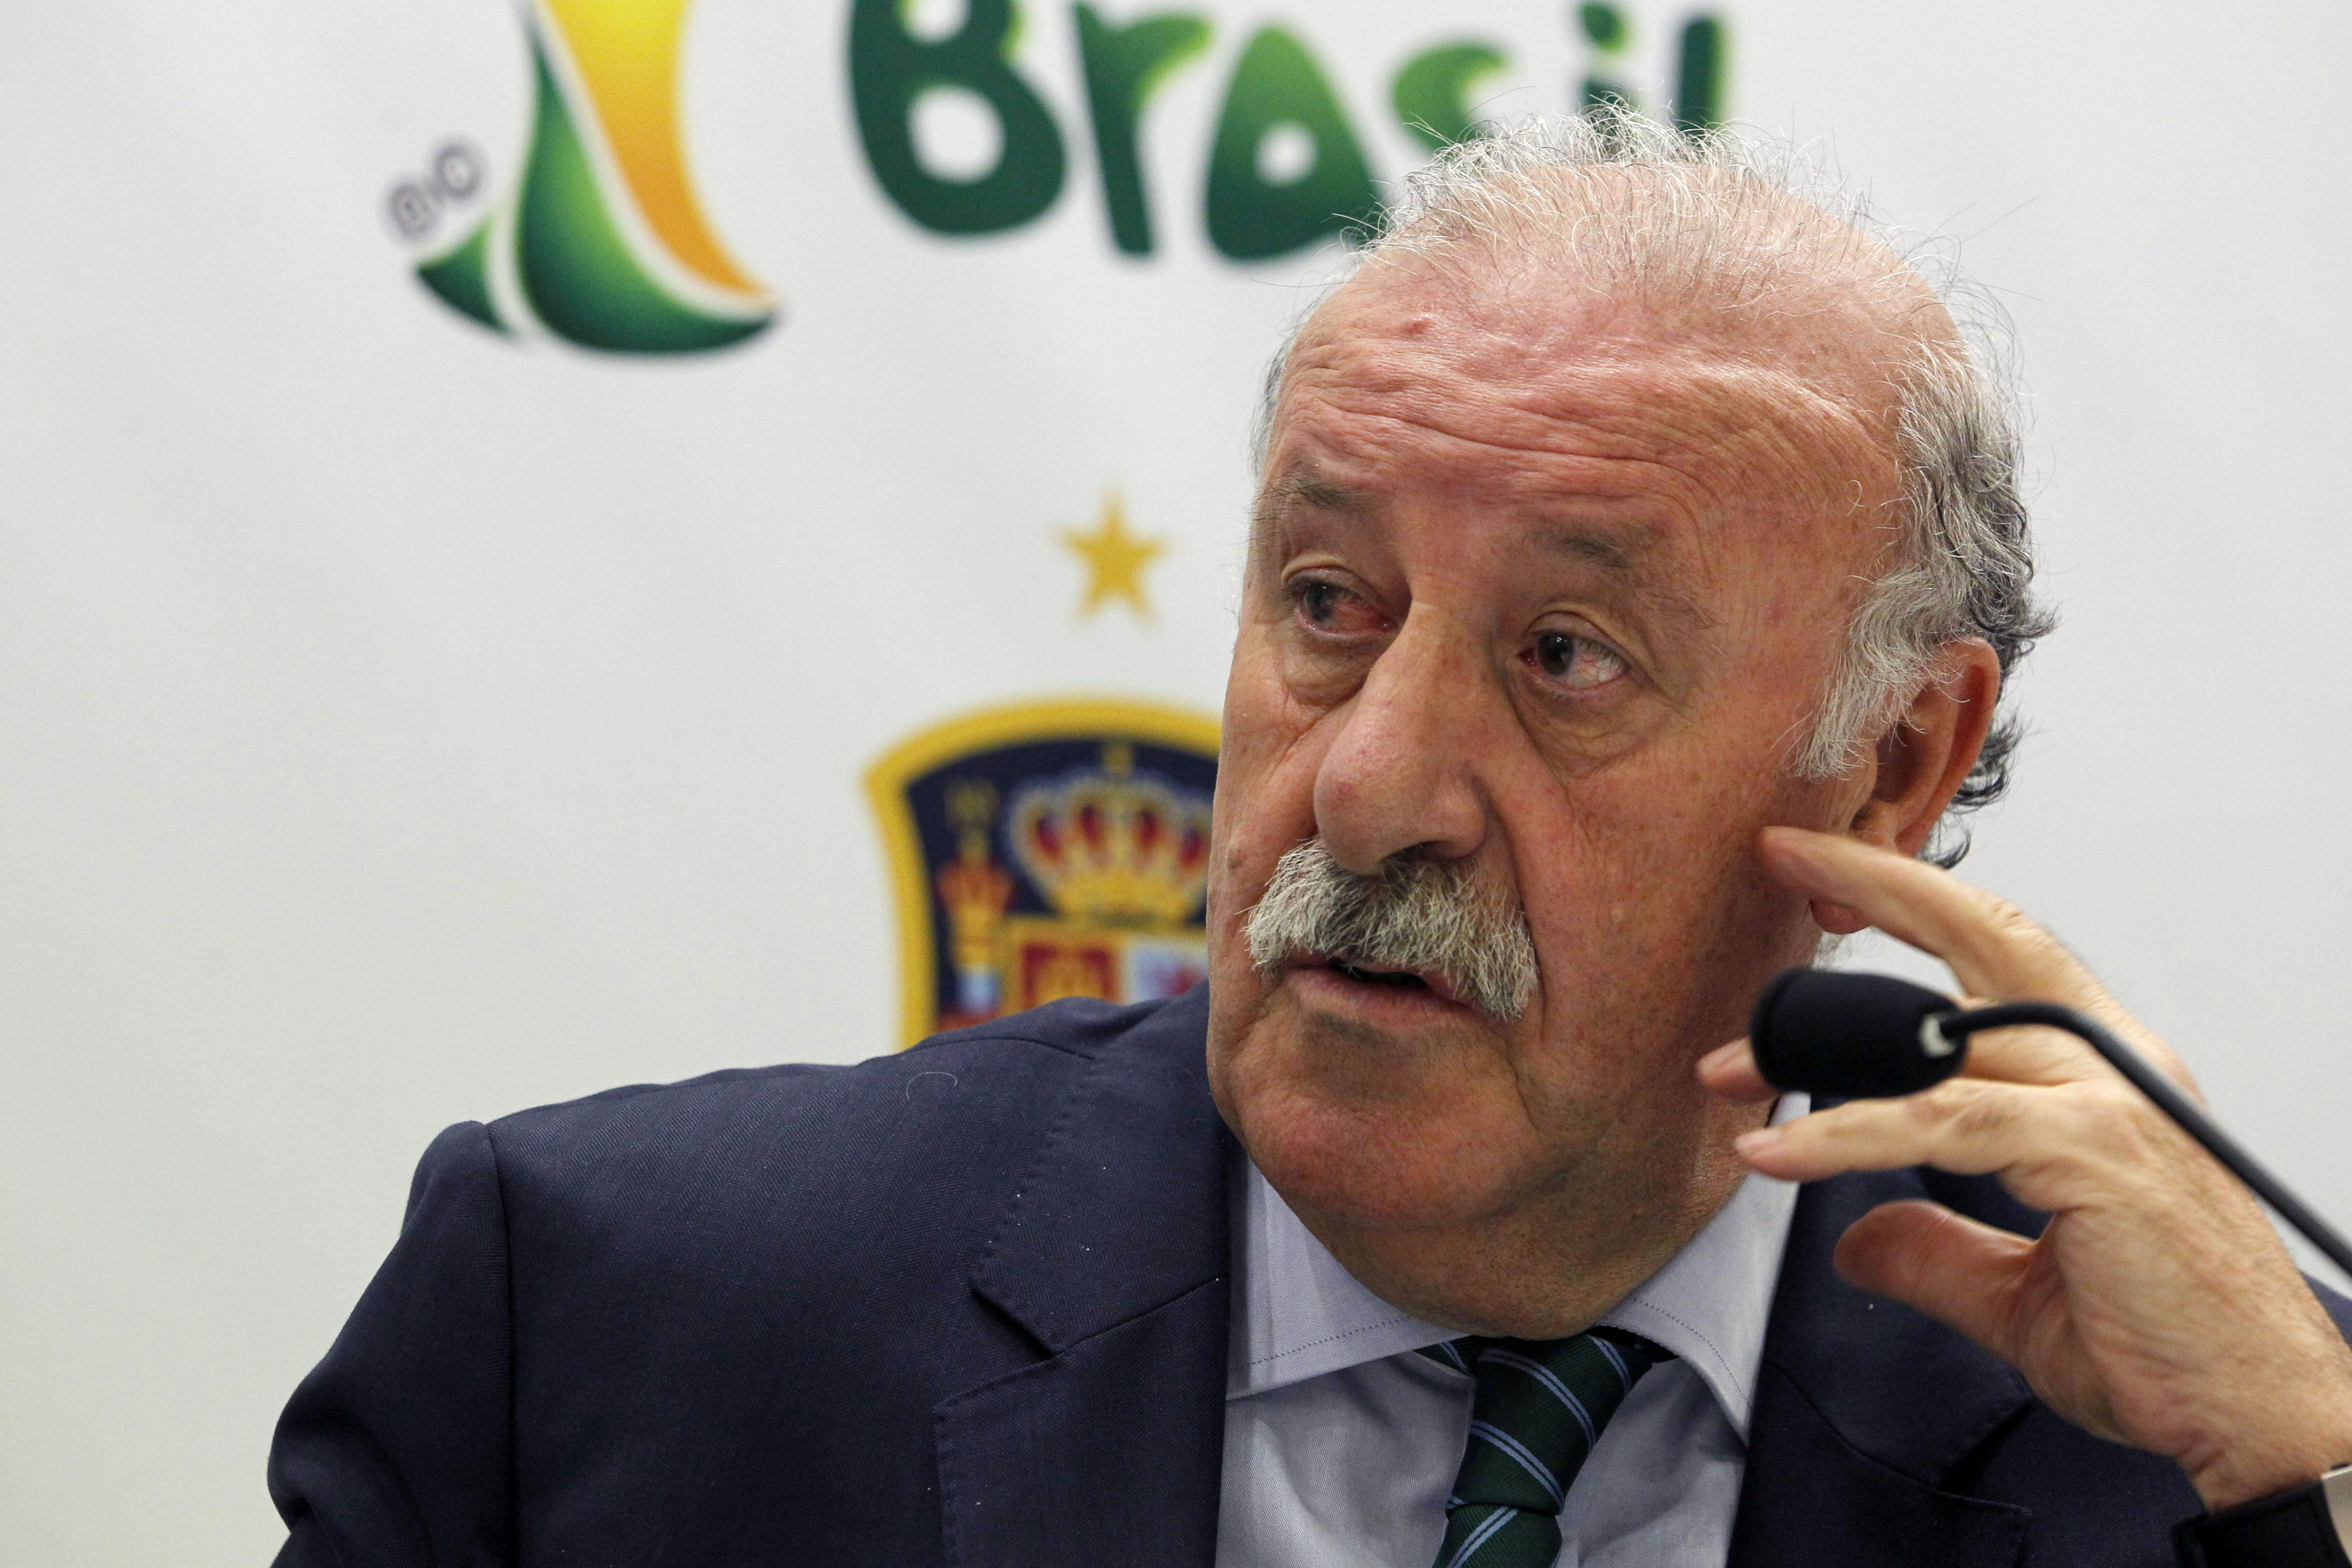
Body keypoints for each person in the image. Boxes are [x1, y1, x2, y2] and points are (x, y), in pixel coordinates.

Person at [266, 113, 2352, 1567]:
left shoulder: (2203, 1465)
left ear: (1891, 762)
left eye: (1565, 655)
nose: (1364, 787)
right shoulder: (615, 1325)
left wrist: (2315, 1479)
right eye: (1330, 604)